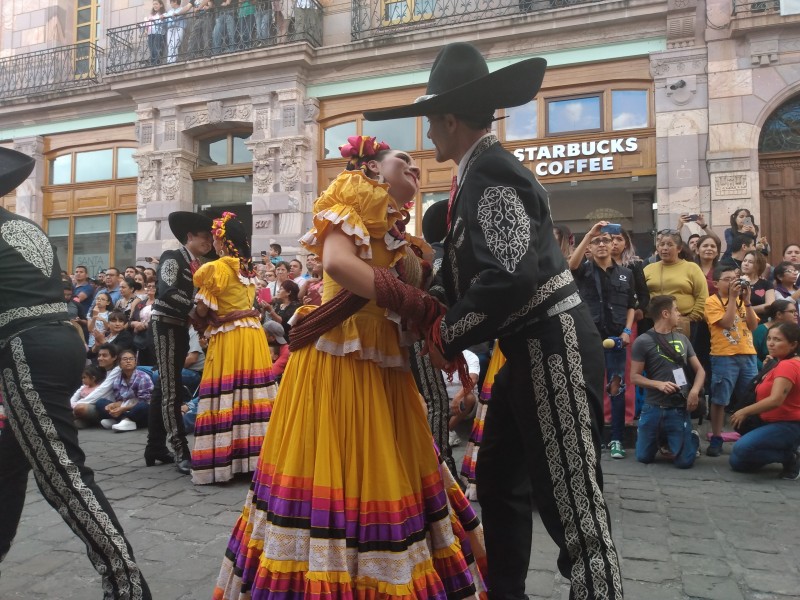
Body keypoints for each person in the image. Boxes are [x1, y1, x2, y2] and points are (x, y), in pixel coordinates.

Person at [365, 43, 622, 599]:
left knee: (574, 507)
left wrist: (443, 333)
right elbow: (472, 278)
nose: (428, 135)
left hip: (554, 347)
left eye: (432, 122)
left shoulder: (492, 171)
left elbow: (509, 277)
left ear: (451, 120)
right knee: (501, 481)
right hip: (525, 348)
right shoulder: (474, 174)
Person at [214, 137, 487, 597]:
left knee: (385, 465)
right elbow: (339, 264)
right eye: (404, 160)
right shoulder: (352, 197)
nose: (414, 166)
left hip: (385, 364)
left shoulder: (401, 233)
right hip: (338, 361)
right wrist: (416, 301)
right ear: (373, 170)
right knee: (339, 463)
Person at [0, 148, 151, 598]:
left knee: (61, 472)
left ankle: (126, 584)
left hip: (28, 349)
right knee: (9, 461)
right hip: (60, 342)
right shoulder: (22, 226)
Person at [190, 211, 277, 485]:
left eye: (216, 238)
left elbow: (203, 308)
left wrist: (198, 312)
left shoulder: (215, 269)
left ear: (224, 242)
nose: (213, 243)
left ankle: (225, 458)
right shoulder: (248, 271)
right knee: (252, 394)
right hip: (253, 336)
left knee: (227, 391)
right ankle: (254, 459)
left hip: (230, 336)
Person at [145, 211, 213, 474]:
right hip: (164, 328)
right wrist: (196, 309)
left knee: (163, 389)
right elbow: (168, 292)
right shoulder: (173, 257)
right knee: (171, 390)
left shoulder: (195, 263)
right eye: (204, 235)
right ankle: (180, 449)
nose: (208, 240)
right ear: (190, 236)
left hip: (177, 329)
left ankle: (154, 448)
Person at [569, 221, 636, 460]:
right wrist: (589, 233)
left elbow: (631, 306)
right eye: (597, 242)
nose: (602, 245)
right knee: (588, 387)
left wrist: (627, 331)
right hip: (588, 338)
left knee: (616, 388)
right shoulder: (584, 270)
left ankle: (616, 438)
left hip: (616, 339)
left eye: (606, 240)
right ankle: (589, 437)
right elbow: (571, 265)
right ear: (590, 246)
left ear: (614, 245)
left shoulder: (626, 274)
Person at [631, 295, 704, 468]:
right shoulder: (643, 341)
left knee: (685, 462)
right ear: (665, 313)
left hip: (678, 408)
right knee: (643, 457)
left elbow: (700, 370)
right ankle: (660, 437)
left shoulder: (683, 339)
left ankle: (690, 435)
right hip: (653, 407)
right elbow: (634, 377)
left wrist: (694, 391)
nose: (679, 313)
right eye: (676, 310)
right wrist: (658, 384)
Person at [730, 322, 800, 479]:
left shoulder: (788, 365)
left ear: (793, 344)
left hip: (788, 425)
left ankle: (789, 456)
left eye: (778, 340)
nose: (771, 343)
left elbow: (776, 400)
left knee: (742, 450)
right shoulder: (778, 363)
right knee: (737, 462)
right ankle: (783, 452)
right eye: (769, 338)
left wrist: (744, 411)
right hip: (769, 422)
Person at [705, 265, 759, 457]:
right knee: (720, 398)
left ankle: (747, 435)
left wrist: (748, 301)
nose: (732, 282)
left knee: (750, 398)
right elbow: (726, 323)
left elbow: (753, 326)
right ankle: (717, 437)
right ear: (716, 283)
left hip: (748, 354)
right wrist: (733, 300)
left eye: (735, 278)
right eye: (727, 279)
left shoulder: (742, 301)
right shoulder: (712, 302)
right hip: (724, 355)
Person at [643, 229, 708, 340]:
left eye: (670, 245)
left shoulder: (692, 268)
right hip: (652, 323)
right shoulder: (648, 268)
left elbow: (702, 296)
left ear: (679, 248)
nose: (664, 248)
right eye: (661, 244)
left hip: (683, 323)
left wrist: (691, 318)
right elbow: (641, 294)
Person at [96, 349, 154, 432]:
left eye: (131, 359)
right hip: (125, 407)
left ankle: (122, 420)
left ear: (135, 362)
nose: (128, 361)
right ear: (119, 364)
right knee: (100, 403)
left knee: (143, 407)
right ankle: (125, 420)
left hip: (139, 408)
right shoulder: (117, 380)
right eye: (125, 359)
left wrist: (122, 409)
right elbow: (120, 401)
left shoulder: (143, 377)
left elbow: (146, 401)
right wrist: (114, 405)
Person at [72, 343, 122, 425]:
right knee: (76, 409)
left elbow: (102, 390)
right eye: (99, 355)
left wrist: (78, 404)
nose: (100, 358)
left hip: (108, 406)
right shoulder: (99, 370)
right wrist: (71, 403)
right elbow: (83, 387)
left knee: (80, 408)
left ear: (114, 357)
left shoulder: (117, 370)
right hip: (94, 403)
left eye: (104, 355)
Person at [753, 299, 798, 364]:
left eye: (796, 311)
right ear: (779, 314)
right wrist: (765, 367)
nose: (796, 314)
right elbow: (752, 356)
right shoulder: (760, 331)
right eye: (791, 311)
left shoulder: (794, 330)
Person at [741, 250, 774, 321]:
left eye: (750, 262)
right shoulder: (736, 282)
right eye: (744, 260)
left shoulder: (766, 284)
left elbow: (769, 305)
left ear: (759, 265)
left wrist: (746, 309)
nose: (746, 264)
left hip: (760, 323)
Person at [146, 0, 167, 65]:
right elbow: (147, 24)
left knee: (156, 49)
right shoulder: (151, 15)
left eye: (156, 4)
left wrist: (155, 21)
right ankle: (153, 63)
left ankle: (156, 63)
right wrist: (145, 31)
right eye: (154, 4)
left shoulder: (164, 14)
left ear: (161, 5)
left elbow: (164, 25)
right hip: (150, 33)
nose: (155, 5)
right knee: (152, 50)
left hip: (159, 33)